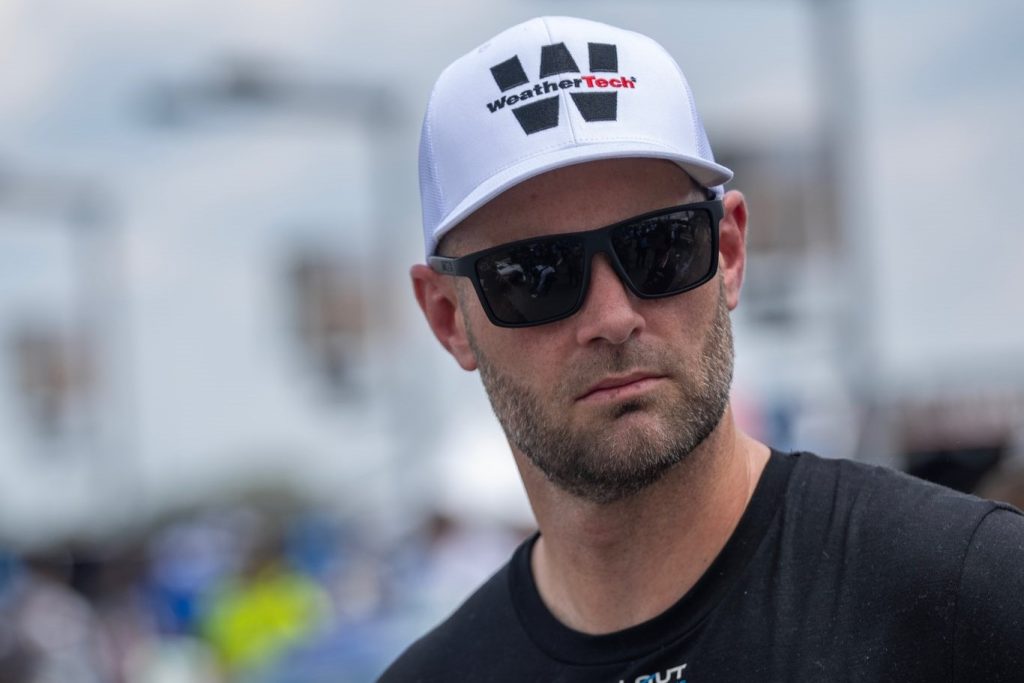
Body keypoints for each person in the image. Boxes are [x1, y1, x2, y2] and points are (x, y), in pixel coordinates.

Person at [380, 16, 1024, 681]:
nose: (613, 317)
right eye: (535, 275)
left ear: (730, 253)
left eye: (660, 246)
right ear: (448, 317)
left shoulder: (974, 596)